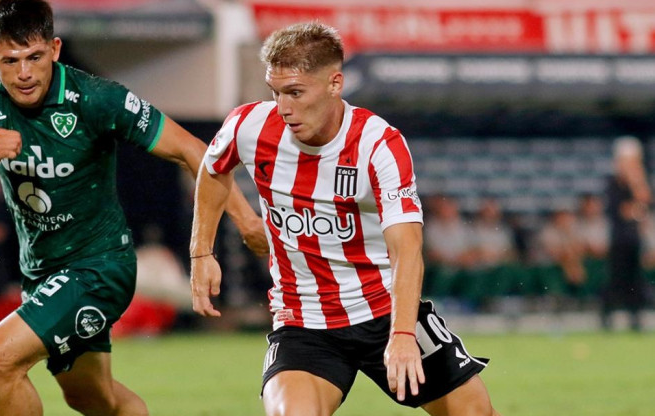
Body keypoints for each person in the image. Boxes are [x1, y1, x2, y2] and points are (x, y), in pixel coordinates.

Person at [0, 1, 266, 415]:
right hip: (42, 272)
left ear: (55, 49)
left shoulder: (96, 98)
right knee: (93, 399)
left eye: (35, 57)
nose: (24, 73)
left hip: (99, 267)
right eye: (11, 60)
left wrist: (245, 221)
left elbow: (194, 151)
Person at [190, 22, 499, 416]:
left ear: (335, 83)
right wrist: (201, 252)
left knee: (474, 414)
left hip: (385, 311)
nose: (283, 107)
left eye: (296, 93)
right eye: (276, 92)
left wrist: (403, 334)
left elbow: (407, 247)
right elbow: (213, 169)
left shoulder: (378, 145)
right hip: (304, 322)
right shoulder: (249, 126)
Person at [602, 136, 651, 331]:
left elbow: (644, 203)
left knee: (635, 280)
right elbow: (622, 211)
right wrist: (635, 210)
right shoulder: (612, 183)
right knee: (616, 279)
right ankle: (607, 317)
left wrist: (636, 180)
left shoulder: (638, 182)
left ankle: (635, 318)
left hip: (634, 239)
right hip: (618, 239)